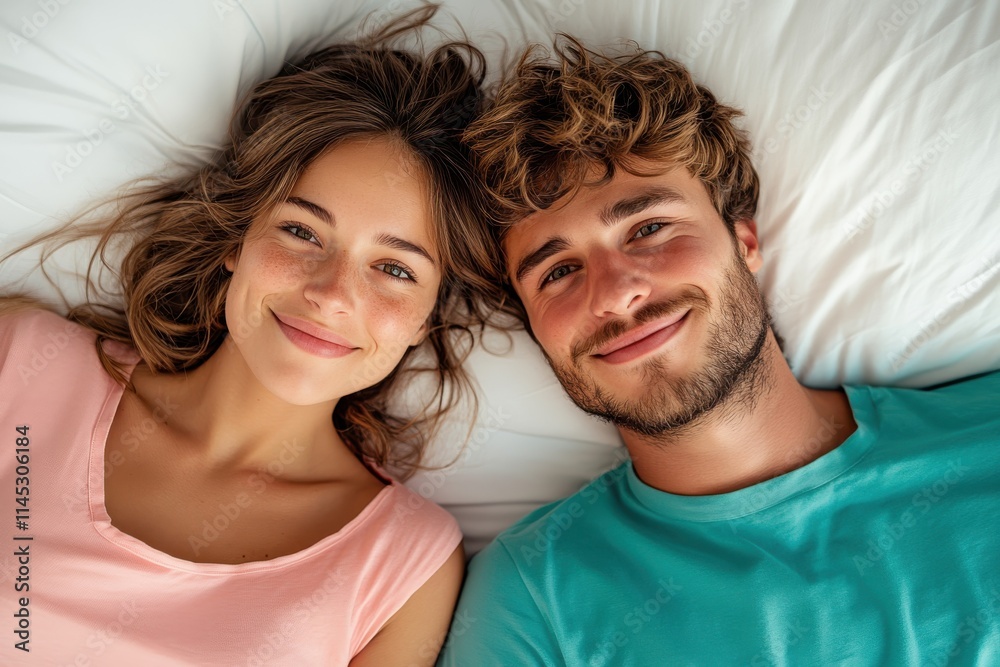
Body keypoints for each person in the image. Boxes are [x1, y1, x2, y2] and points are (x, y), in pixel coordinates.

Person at [438, 37, 1000, 665]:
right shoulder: (531, 599)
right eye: (558, 272)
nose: (616, 294)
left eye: (649, 228)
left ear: (744, 241)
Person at [0, 7, 503, 666]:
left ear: (425, 320)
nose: (331, 294)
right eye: (301, 232)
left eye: (394, 269)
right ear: (238, 240)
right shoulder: (23, 365)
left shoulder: (404, 564)